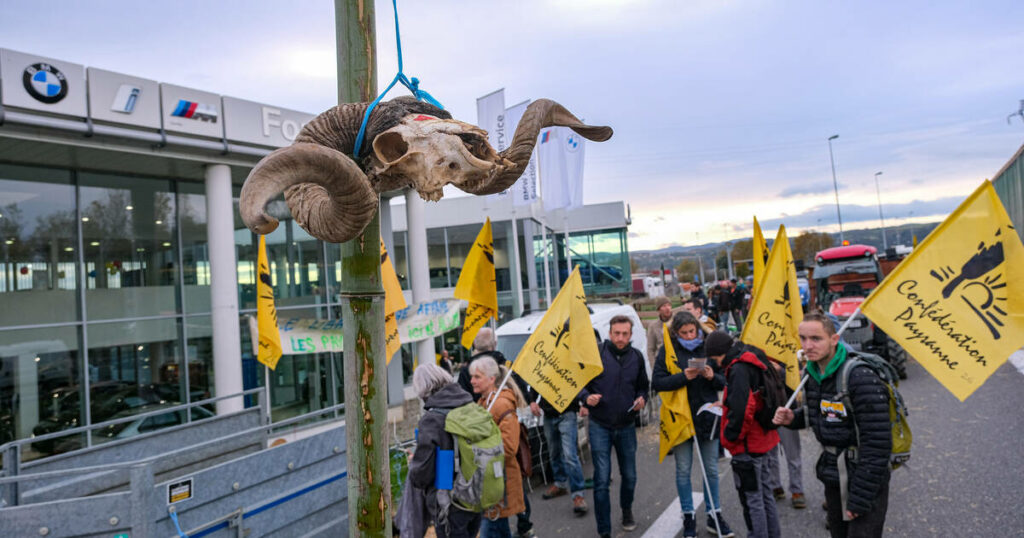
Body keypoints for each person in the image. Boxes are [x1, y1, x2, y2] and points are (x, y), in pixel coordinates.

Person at [773, 312, 893, 538]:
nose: (808, 346)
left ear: (834, 340)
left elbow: (878, 445)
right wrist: (793, 419)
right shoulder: (812, 374)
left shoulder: (859, 376)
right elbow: (826, 415)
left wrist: (859, 498)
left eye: (816, 339)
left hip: (864, 477)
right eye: (803, 338)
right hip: (833, 474)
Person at [651, 312, 734, 538]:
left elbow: (727, 379)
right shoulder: (667, 351)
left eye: (692, 331)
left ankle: (714, 514)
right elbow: (657, 383)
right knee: (683, 470)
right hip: (680, 418)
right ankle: (688, 516)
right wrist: (682, 377)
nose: (689, 336)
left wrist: (711, 377)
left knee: (711, 470)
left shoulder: (708, 347)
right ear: (676, 334)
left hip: (707, 416)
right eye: (684, 333)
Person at [706, 331, 781, 538]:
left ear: (721, 353)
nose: (717, 363)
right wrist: (728, 404)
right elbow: (752, 399)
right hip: (766, 437)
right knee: (766, 496)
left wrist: (730, 437)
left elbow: (743, 410)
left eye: (715, 358)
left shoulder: (738, 369)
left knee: (752, 500)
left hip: (749, 445)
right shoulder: (754, 356)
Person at [579, 315, 649, 538]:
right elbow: (580, 385)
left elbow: (643, 387)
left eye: (624, 334)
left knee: (630, 476)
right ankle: (604, 530)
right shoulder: (597, 354)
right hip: (600, 425)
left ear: (630, 335)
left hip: (627, 425)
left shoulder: (636, 357)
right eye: (616, 333)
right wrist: (586, 398)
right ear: (610, 333)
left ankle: (626, 510)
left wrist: (641, 399)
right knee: (601, 479)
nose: (620, 338)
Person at [406, 364, 481, 538]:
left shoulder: (432, 420)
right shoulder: (468, 404)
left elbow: (421, 474)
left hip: (450, 504)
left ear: (423, 389)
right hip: (476, 493)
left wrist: (414, 463)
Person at [470, 355, 529, 538]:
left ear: (492, 379)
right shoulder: (484, 402)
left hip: (499, 483)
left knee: (492, 528)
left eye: (477, 377)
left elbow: (509, 447)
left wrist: (476, 447)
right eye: (472, 376)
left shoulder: (501, 404)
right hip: (490, 483)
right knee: (500, 530)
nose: (472, 381)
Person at [526, 383, 588, 516]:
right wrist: (532, 401)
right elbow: (536, 382)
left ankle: (578, 495)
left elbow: (579, 383)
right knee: (553, 452)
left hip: (567, 413)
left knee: (570, 455)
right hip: (549, 415)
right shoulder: (544, 363)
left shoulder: (571, 364)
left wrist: (584, 403)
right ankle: (560, 483)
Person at [646, 296, 673, 367]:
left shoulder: (677, 321)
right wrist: (654, 367)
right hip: (661, 362)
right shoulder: (653, 326)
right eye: (664, 306)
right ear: (658, 309)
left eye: (669, 305)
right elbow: (650, 349)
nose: (667, 308)